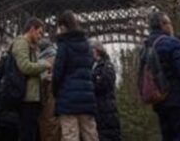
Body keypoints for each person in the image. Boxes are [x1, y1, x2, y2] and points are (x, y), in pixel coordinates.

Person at [143, 11, 180, 141]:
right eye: (169, 23)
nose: (171, 26)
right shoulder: (172, 43)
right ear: (162, 25)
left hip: (160, 101)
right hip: (178, 101)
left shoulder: (146, 47)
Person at [52, 11, 98, 141]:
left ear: (63, 27)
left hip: (67, 98)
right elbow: (90, 66)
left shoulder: (64, 45)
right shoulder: (87, 45)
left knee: (70, 136)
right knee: (91, 135)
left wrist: (56, 91)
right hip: (87, 97)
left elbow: (58, 72)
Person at [10, 18, 54, 141]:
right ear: (32, 29)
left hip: (31, 97)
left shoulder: (31, 46)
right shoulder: (21, 43)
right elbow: (25, 66)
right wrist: (44, 64)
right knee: (27, 133)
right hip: (26, 97)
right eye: (39, 33)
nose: (40, 37)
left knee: (31, 133)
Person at [89, 42, 119, 141]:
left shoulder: (106, 65)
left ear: (97, 51)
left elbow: (105, 83)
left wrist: (92, 83)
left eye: (92, 50)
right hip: (100, 108)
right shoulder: (94, 66)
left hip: (105, 108)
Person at [37, 37, 59, 141]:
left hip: (47, 98)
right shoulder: (57, 57)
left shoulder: (42, 61)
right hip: (55, 99)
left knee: (48, 124)